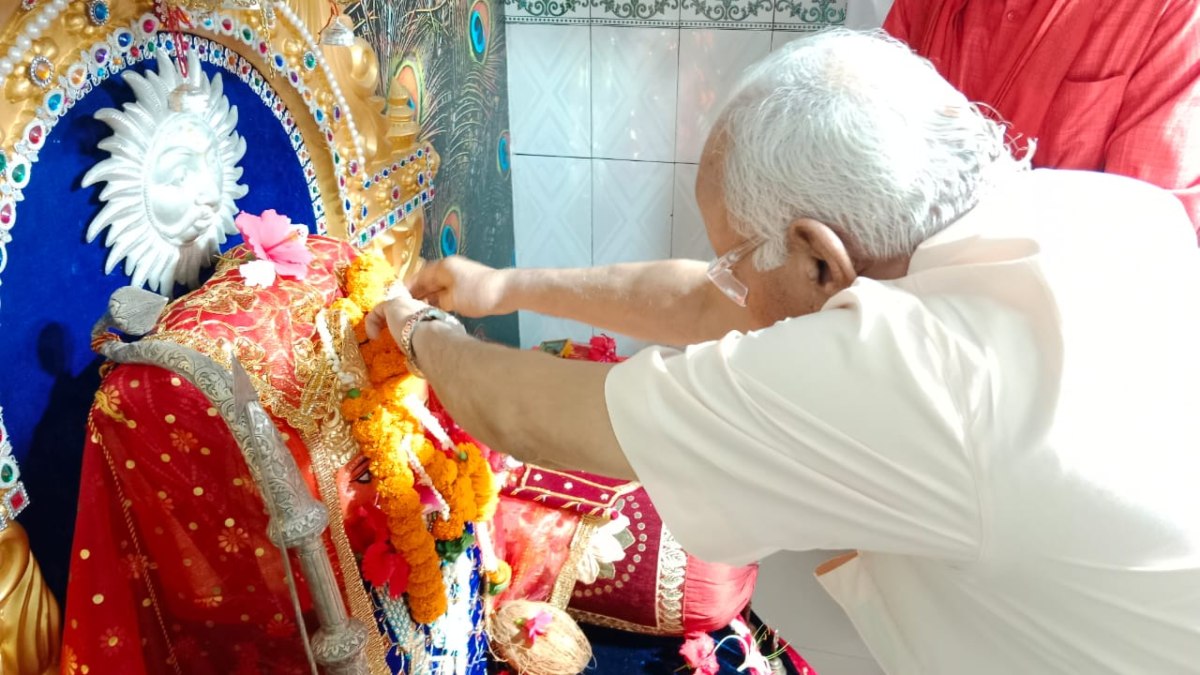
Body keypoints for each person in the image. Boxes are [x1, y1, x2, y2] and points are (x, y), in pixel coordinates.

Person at [367, 30, 1200, 673]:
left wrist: (407, 326)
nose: (727, 279)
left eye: (736, 256)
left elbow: (532, 413)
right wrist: (504, 288)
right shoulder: (1100, 211)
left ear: (818, 258)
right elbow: (711, 299)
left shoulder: (923, 373)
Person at [883, 0, 1200, 232]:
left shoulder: (1171, 11)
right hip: (903, 290)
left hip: (1057, 304)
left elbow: (1145, 233)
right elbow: (872, 147)